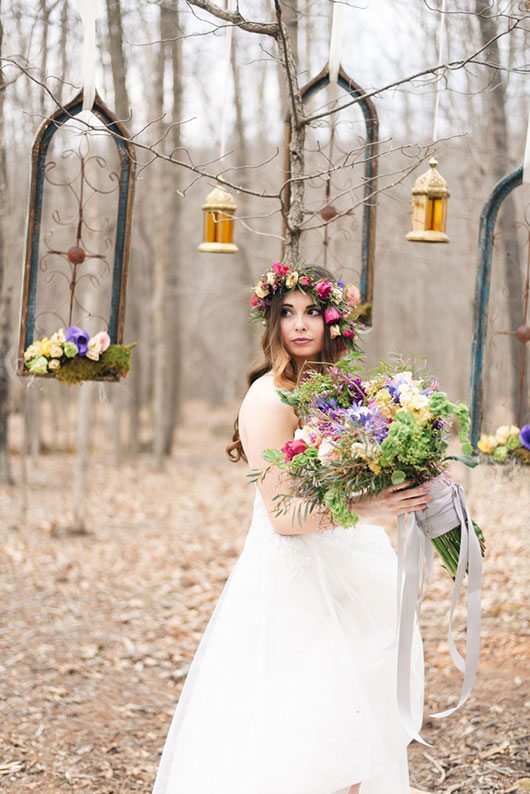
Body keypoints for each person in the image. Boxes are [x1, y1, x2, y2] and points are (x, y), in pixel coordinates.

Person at [152, 264, 427, 794]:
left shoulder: (337, 391)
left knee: (357, 727)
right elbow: (283, 518)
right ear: (272, 322)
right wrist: (371, 506)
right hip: (296, 584)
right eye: (286, 313)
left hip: (350, 569)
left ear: (332, 322)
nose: (299, 325)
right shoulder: (268, 397)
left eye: (311, 312)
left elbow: (349, 473)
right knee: (311, 736)